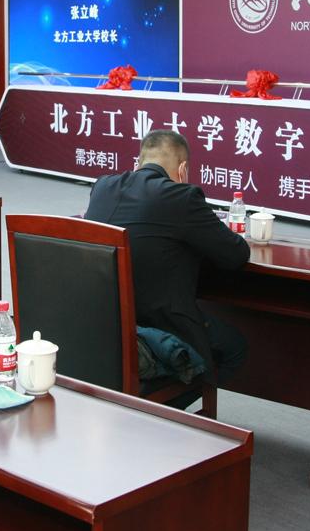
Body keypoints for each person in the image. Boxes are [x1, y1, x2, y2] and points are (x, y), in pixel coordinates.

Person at [84, 129, 250, 385]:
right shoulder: (182, 197)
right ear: (183, 169)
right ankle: (175, 403)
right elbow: (235, 254)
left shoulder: (102, 186)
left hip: (103, 324)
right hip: (161, 327)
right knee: (234, 347)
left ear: (138, 162)